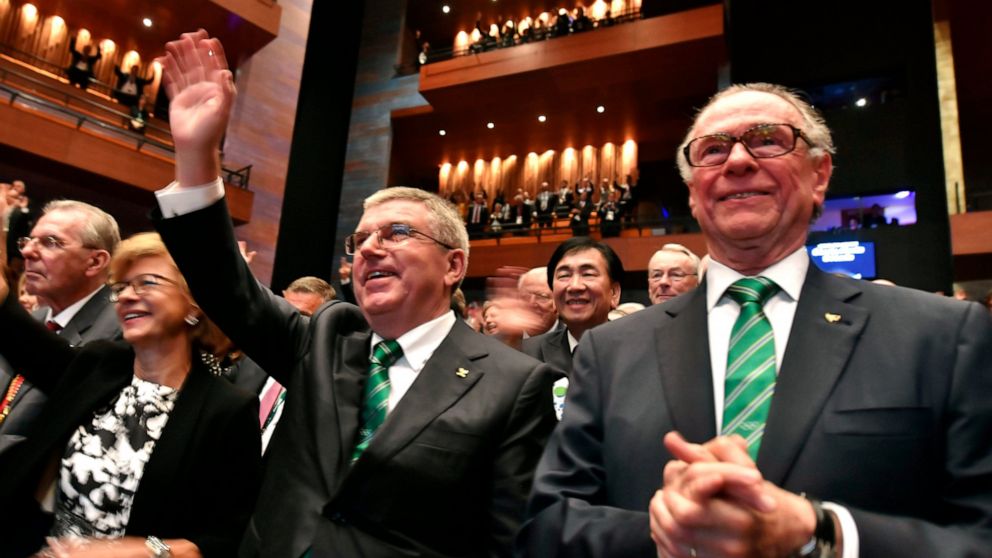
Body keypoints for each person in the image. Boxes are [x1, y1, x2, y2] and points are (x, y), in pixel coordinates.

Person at [519, 82, 992, 557]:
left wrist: (822, 533)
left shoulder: (941, 337)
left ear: (819, 174)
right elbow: (547, 523)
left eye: (768, 139)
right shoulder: (612, 351)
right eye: (713, 149)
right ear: (692, 192)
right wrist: (668, 537)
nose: (738, 161)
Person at [152, 30, 558, 557]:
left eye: (397, 233)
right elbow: (224, 284)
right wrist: (196, 151)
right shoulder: (325, 336)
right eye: (360, 239)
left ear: (454, 265)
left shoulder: (516, 385)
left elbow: (510, 542)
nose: (368, 249)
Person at [0, 232, 261, 557]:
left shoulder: (227, 410)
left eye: (147, 283)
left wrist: (143, 551)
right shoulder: (99, 364)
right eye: (121, 287)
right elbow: (25, 343)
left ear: (193, 302)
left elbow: (223, 539)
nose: (126, 296)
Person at [0, 200, 122, 455]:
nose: (28, 252)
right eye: (28, 241)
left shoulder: (119, 330)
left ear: (95, 262)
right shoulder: (36, 318)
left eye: (50, 242)